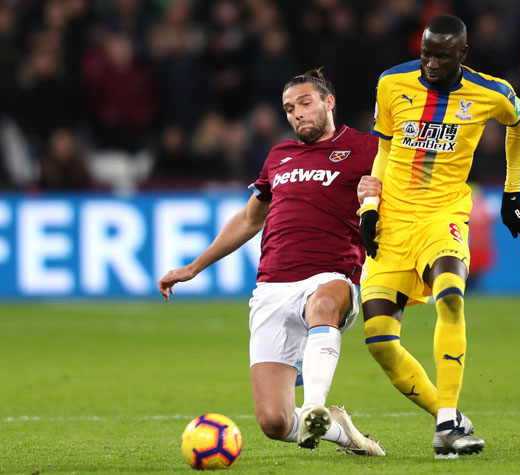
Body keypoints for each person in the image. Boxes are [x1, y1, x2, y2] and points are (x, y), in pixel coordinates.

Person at [158, 69, 384, 456]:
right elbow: (249, 219)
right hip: (272, 288)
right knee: (274, 422)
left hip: (332, 273)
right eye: (289, 108)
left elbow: (406, 194)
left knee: (324, 304)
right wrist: (194, 267)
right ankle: (338, 430)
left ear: (329, 102)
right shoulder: (279, 156)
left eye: (305, 103)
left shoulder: (366, 149)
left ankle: (313, 403)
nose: (297, 114)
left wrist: (377, 192)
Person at [357, 14, 520, 458]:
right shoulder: (391, 83)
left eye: (440, 55)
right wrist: (370, 207)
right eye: (425, 54)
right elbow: (383, 148)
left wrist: (512, 194)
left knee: (451, 295)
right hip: (394, 220)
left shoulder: (491, 92)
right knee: (379, 339)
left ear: (462, 53)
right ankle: (450, 418)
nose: (430, 64)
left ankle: (444, 427)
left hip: (443, 214)